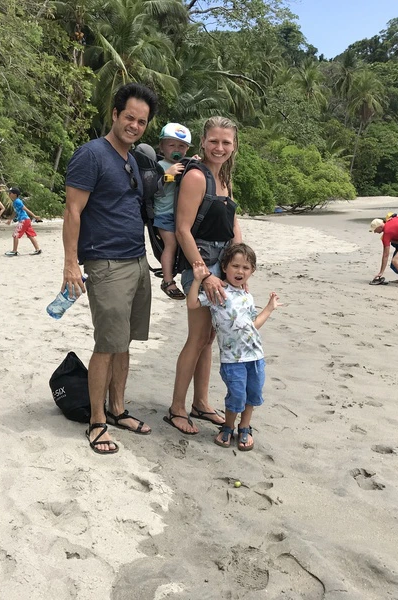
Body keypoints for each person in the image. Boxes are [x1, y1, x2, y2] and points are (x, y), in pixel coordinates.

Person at [62, 83, 158, 455]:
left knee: (125, 342)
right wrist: (71, 264)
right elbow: (73, 211)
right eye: (129, 117)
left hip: (136, 260)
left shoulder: (131, 158)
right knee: (106, 344)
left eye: (142, 121)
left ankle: (118, 408)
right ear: (115, 114)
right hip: (104, 263)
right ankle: (98, 421)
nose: (134, 125)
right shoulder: (91, 155)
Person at [166, 116, 243, 435]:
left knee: (209, 338)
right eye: (214, 141)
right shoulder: (196, 177)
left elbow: (233, 224)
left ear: (234, 145)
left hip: (222, 264)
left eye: (226, 142)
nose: (220, 147)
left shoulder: (223, 176)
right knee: (197, 337)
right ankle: (177, 408)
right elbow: (182, 229)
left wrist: (240, 265)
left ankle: (200, 402)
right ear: (203, 141)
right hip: (200, 266)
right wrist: (204, 274)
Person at [186, 244, 279, 451]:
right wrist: (198, 280)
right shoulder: (217, 291)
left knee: (252, 394)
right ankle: (228, 426)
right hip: (232, 359)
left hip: (255, 356)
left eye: (246, 268)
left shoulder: (248, 296)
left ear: (252, 271)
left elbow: (253, 324)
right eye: (235, 266)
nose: (240, 271)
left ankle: (244, 427)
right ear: (224, 268)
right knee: (236, 395)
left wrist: (269, 308)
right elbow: (192, 304)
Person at [155, 123, 193, 300]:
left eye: (181, 146)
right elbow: (152, 189)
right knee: (171, 245)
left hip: (180, 215)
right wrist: (168, 175)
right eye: (171, 145)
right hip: (164, 214)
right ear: (162, 146)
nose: (177, 149)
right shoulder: (160, 166)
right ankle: (167, 280)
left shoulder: (184, 164)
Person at [4, 188, 42, 256]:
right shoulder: (15, 202)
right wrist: (10, 219)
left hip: (24, 220)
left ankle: (14, 251)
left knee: (15, 235)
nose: (9, 194)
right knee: (30, 235)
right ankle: (38, 250)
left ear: (15, 194)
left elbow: (25, 209)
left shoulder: (18, 201)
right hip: (26, 220)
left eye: (10, 193)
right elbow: (15, 212)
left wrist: (34, 216)